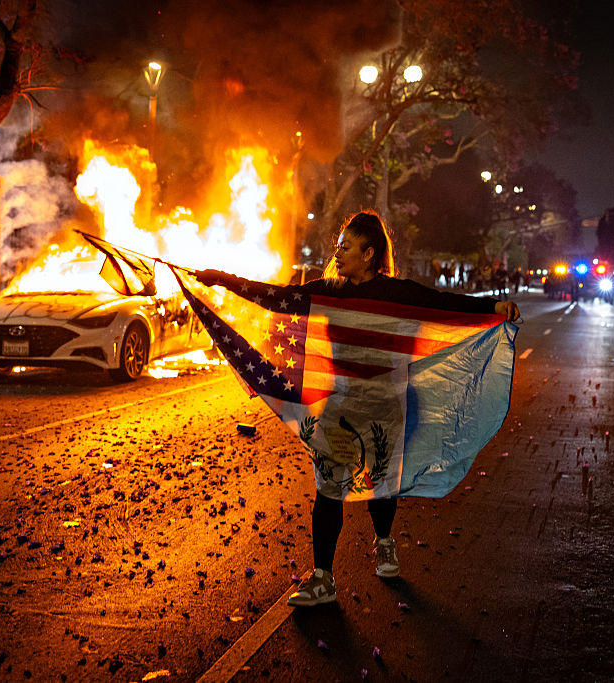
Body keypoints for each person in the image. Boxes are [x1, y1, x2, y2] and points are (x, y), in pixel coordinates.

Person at [195, 210, 520, 607]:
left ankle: (383, 542)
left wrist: (493, 306)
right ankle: (322, 578)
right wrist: (222, 280)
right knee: (328, 489)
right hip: (338, 410)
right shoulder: (327, 291)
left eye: (346, 245)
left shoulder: (399, 294)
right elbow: (275, 296)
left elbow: (443, 304)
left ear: (369, 254)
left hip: (385, 409)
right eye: (338, 244)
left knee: (382, 486)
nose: (338, 251)